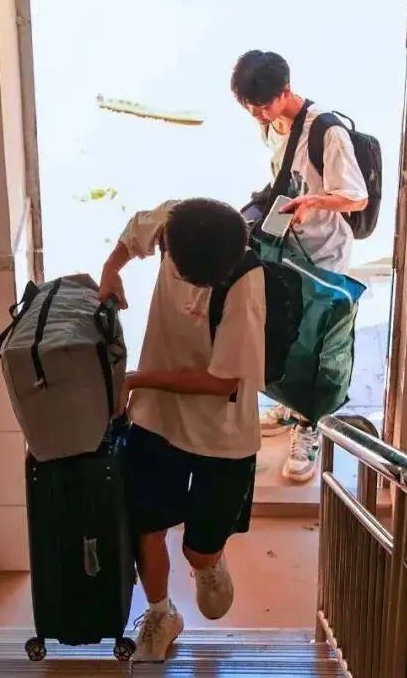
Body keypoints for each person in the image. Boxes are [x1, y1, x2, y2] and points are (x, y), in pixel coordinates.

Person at [100, 198, 266, 663]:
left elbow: (222, 382)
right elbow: (134, 232)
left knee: (199, 550)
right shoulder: (172, 221)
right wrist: (111, 269)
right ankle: (161, 612)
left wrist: (136, 379)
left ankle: (206, 562)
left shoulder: (245, 281)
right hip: (158, 418)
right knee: (147, 527)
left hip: (223, 433)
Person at [230, 49, 368, 483]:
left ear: (286, 90)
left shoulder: (327, 132)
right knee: (287, 330)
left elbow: (357, 197)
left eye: (263, 106)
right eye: (250, 108)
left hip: (323, 252)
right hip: (287, 247)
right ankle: (291, 406)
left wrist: (314, 202)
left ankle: (310, 426)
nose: (258, 115)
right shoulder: (271, 124)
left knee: (316, 339)